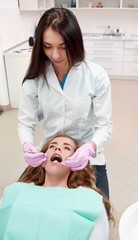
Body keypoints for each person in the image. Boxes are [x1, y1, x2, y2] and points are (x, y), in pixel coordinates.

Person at [18, 7, 112, 199]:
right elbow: (26, 122)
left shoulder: (96, 76)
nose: (55, 55)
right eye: (47, 46)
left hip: (87, 152)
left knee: (100, 207)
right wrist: (27, 145)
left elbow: (104, 126)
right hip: (49, 151)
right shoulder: (35, 79)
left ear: (74, 42)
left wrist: (89, 148)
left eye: (63, 46)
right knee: (22, 200)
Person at [0, 134, 114, 240]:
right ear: (42, 161)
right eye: (52, 146)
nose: (57, 149)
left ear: (76, 162)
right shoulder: (16, 192)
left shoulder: (88, 200)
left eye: (67, 148)